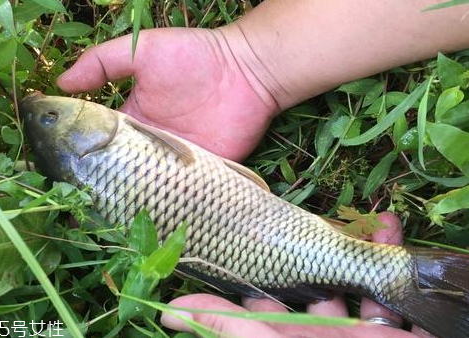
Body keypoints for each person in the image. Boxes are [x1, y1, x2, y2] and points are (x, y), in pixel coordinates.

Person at [57, 0, 469, 336]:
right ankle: (396, 277)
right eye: (51, 120)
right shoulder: (114, 147)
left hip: (267, 250)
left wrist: (242, 61)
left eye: (49, 119)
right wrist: (243, 60)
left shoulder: (102, 166)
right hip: (272, 244)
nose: (52, 110)